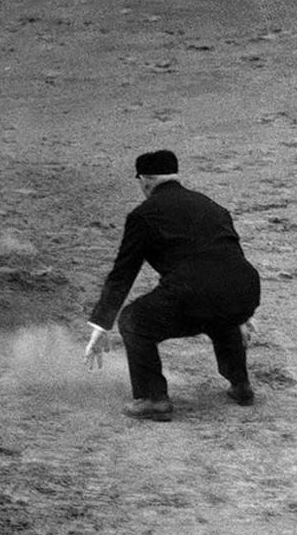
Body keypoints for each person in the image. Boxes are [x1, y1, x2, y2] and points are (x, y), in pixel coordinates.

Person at [83, 150, 261, 421]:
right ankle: (241, 385)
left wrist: (101, 324)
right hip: (245, 288)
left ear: (145, 181)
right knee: (220, 316)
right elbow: (229, 257)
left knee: (134, 319)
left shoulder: (143, 216)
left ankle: (153, 398)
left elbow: (123, 273)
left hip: (196, 293)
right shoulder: (212, 206)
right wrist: (243, 312)